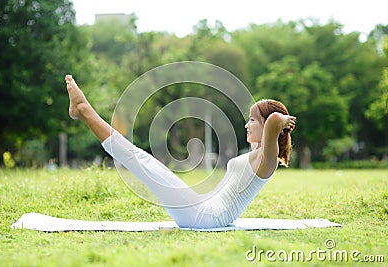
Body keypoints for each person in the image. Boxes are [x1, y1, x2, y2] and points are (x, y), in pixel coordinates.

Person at [65, 74, 296, 228]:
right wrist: (274, 120)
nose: (247, 124)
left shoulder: (267, 160)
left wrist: (283, 119)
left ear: (268, 127)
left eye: (253, 120)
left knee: (141, 160)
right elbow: (272, 121)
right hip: (202, 210)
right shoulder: (255, 153)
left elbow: (274, 119)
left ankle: (84, 110)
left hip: (206, 218)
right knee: (144, 161)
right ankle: (84, 111)